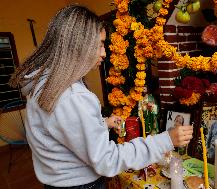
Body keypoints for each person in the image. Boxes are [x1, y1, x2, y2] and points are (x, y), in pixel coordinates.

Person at [8, 5, 193, 189]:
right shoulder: (73, 96)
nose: (104, 53)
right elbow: (107, 160)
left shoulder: (45, 84)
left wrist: (102, 123)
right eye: (100, 45)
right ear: (78, 46)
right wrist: (165, 140)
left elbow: (63, 130)